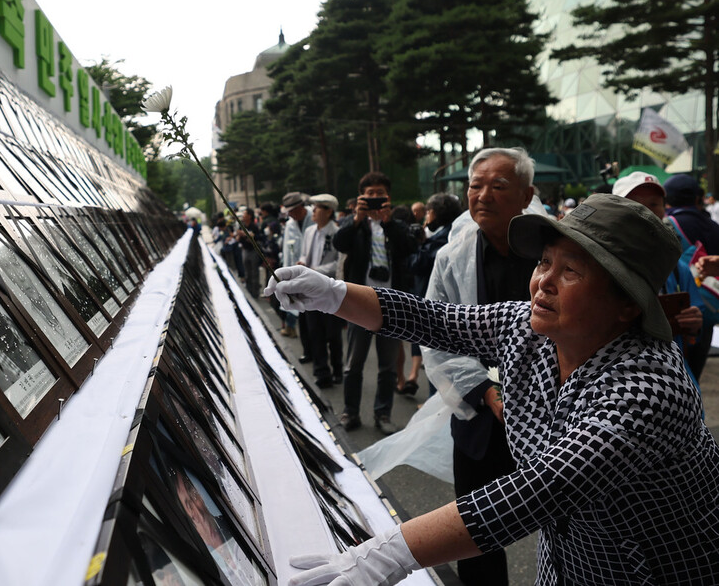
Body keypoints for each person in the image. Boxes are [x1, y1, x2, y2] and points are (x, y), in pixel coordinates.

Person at [267, 193, 719, 586]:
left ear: (626, 303)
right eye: (544, 261)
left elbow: (541, 490)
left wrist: (390, 553)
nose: (544, 281)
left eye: (571, 271)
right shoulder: (530, 329)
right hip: (570, 562)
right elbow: (436, 320)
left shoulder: (649, 388)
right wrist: (331, 294)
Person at [423, 147, 540, 585]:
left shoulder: (556, 249)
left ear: (526, 196)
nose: (483, 195)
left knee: (568, 523)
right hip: (482, 415)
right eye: (475, 185)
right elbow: (436, 333)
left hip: (553, 409)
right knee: (474, 529)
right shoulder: (450, 259)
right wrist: (488, 393)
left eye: (499, 186)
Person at [333, 172, 416, 434]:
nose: (373, 198)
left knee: (388, 366)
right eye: (368, 194)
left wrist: (389, 222)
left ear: (387, 196)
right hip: (360, 301)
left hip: (392, 303)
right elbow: (339, 243)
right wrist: (357, 220)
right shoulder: (353, 224)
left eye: (378, 193)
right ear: (361, 197)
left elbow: (410, 248)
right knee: (353, 364)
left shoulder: (397, 225)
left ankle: (383, 415)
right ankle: (350, 412)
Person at [612, 171, 703, 387]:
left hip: (673, 382)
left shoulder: (678, 268)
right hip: (616, 382)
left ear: (664, 209)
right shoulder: (596, 264)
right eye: (634, 203)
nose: (646, 212)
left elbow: (694, 332)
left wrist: (694, 324)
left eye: (654, 204)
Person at [405, 193, 463, 396]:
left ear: (437, 214)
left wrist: (418, 244)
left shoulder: (444, 238)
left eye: (428, 212)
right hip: (438, 305)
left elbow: (418, 264)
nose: (425, 218)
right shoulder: (449, 233)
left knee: (438, 365)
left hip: (436, 308)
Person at [663, 173, 719, 378]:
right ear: (697, 199)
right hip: (710, 310)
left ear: (666, 199)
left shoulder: (666, 225)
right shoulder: (713, 226)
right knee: (694, 378)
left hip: (677, 316)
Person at [298, 194, 344, 388]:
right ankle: (321, 372)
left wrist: (315, 271)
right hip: (309, 290)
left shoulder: (337, 233)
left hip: (329, 289)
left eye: (317, 208)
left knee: (332, 333)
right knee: (314, 331)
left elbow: (338, 263)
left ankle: (338, 368)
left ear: (328, 211)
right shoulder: (309, 231)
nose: (313, 212)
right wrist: (302, 263)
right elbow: (304, 253)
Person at [282, 192, 313, 342]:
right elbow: (286, 250)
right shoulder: (289, 224)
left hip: (314, 271)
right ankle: (294, 330)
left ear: (300, 207)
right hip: (295, 270)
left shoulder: (314, 218)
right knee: (298, 305)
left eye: (292, 211)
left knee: (313, 309)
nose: (291, 215)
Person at [236, 208, 262, 298]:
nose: (243, 216)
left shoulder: (254, 226)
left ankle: (255, 293)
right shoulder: (241, 225)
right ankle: (248, 292)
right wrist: (239, 235)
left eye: (244, 214)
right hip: (245, 250)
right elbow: (238, 238)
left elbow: (258, 237)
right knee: (247, 272)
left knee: (254, 272)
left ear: (249, 216)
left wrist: (249, 236)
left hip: (253, 250)